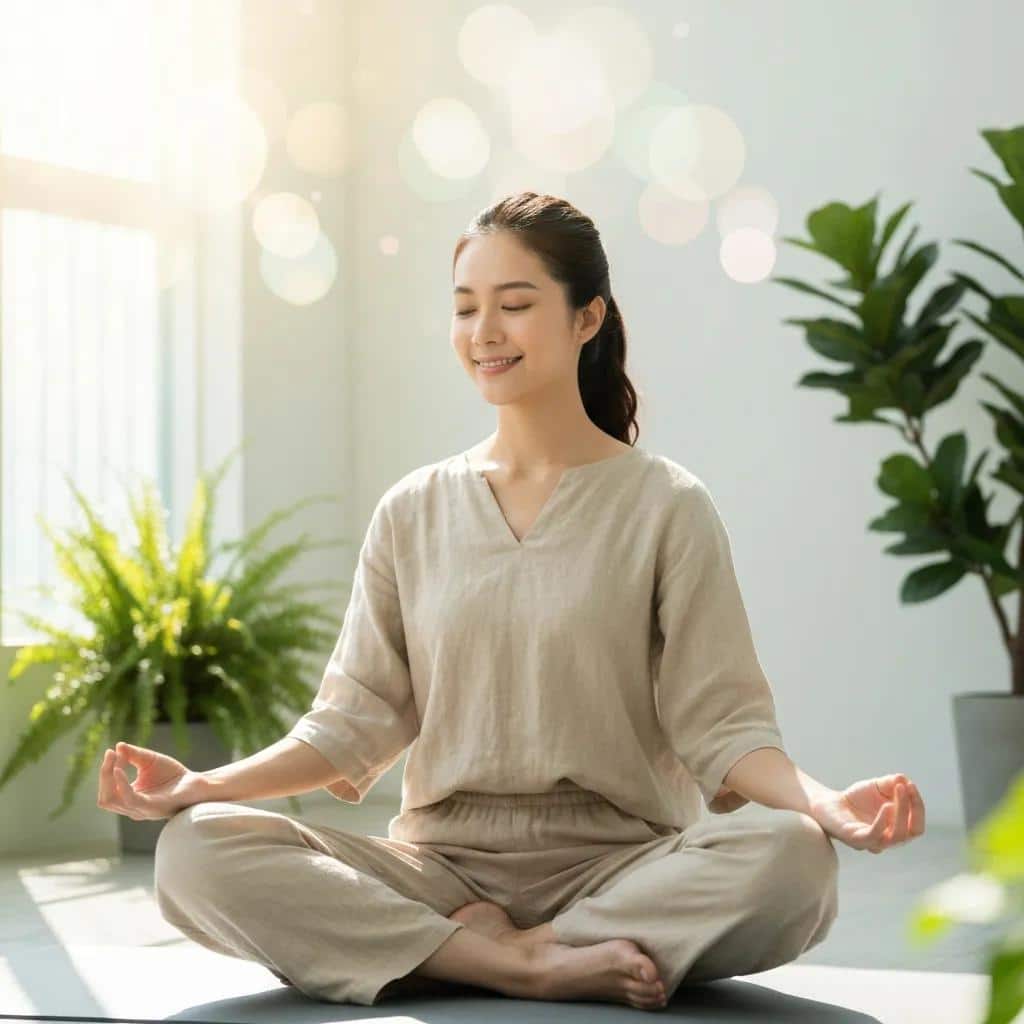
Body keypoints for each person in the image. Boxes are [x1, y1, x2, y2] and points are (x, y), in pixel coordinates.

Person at [98, 192, 921, 1010]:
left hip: (626, 867)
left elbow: (725, 725)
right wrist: (200, 788)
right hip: (441, 871)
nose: (484, 333)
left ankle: (487, 950)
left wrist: (827, 805)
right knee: (195, 853)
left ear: (586, 318)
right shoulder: (412, 509)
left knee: (796, 860)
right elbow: (352, 725)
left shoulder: (667, 505)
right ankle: (520, 964)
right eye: (465, 308)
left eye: (515, 305)